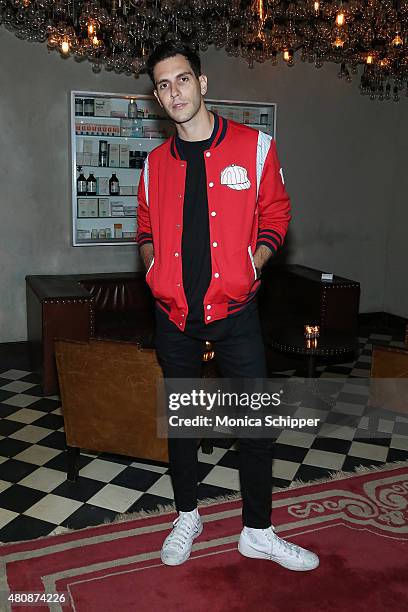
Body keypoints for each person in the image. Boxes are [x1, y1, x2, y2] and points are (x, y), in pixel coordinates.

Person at [137, 41, 319, 571]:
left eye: (183, 80)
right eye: (164, 85)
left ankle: (258, 531)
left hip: (237, 311)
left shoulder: (255, 146)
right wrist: (154, 269)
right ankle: (187, 515)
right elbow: (145, 228)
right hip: (174, 315)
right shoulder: (154, 164)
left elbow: (277, 214)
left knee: (255, 425)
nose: (175, 92)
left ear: (203, 83)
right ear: (157, 96)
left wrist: (254, 263)